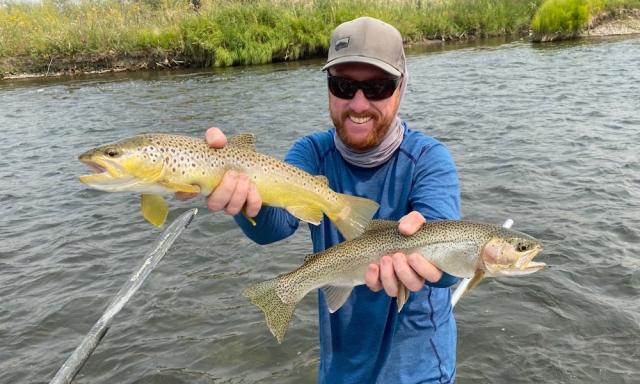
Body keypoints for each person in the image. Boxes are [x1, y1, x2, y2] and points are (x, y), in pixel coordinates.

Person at [181, 16, 461, 384]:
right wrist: (242, 192)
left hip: (418, 371)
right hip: (339, 370)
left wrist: (433, 260)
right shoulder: (311, 152)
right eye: (343, 85)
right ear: (328, 87)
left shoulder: (429, 161)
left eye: (378, 87)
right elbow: (275, 227)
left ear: (401, 87)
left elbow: (451, 269)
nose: (358, 103)